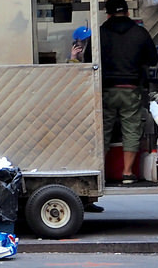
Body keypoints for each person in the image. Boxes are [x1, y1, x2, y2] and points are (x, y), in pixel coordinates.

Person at [100, 0, 158, 185]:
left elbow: (88, 59)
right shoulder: (139, 33)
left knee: (103, 130)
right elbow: (153, 59)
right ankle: (127, 173)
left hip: (105, 89)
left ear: (108, 15)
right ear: (126, 12)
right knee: (131, 129)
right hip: (131, 88)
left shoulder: (101, 32)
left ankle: (100, 171)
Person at [67, 25, 104, 213]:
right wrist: (74, 59)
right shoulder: (78, 59)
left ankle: (88, 200)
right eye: (80, 43)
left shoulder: (95, 57)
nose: (82, 46)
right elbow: (71, 78)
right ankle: (85, 199)